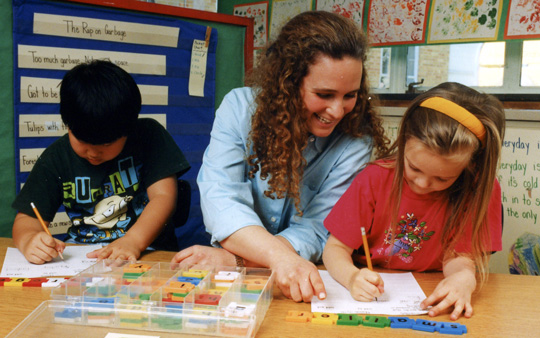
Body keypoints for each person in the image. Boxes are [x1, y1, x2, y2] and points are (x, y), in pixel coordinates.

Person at [171, 10, 389, 303]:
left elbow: (321, 225)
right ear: (287, 83)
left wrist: (239, 261)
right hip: (263, 272)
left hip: (303, 278)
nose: (337, 111)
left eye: (350, 95)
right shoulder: (239, 109)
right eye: (324, 94)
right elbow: (220, 198)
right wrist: (279, 258)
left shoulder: (356, 140)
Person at [322, 82, 505, 320]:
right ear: (404, 139)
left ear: (471, 165)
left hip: (428, 302)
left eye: (442, 178)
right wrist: (351, 277)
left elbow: (459, 258)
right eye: (413, 167)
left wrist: (464, 277)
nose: (422, 184)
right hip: (368, 295)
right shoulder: (375, 178)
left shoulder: (480, 189)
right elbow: (334, 249)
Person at [12, 60, 190, 264]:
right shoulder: (55, 158)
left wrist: (133, 241)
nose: (93, 153)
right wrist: (29, 241)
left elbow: (164, 197)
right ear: (67, 125)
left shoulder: (149, 136)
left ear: (128, 130)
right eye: (82, 141)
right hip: (84, 258)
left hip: (147, 252)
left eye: (105, 145)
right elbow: (27, 219)